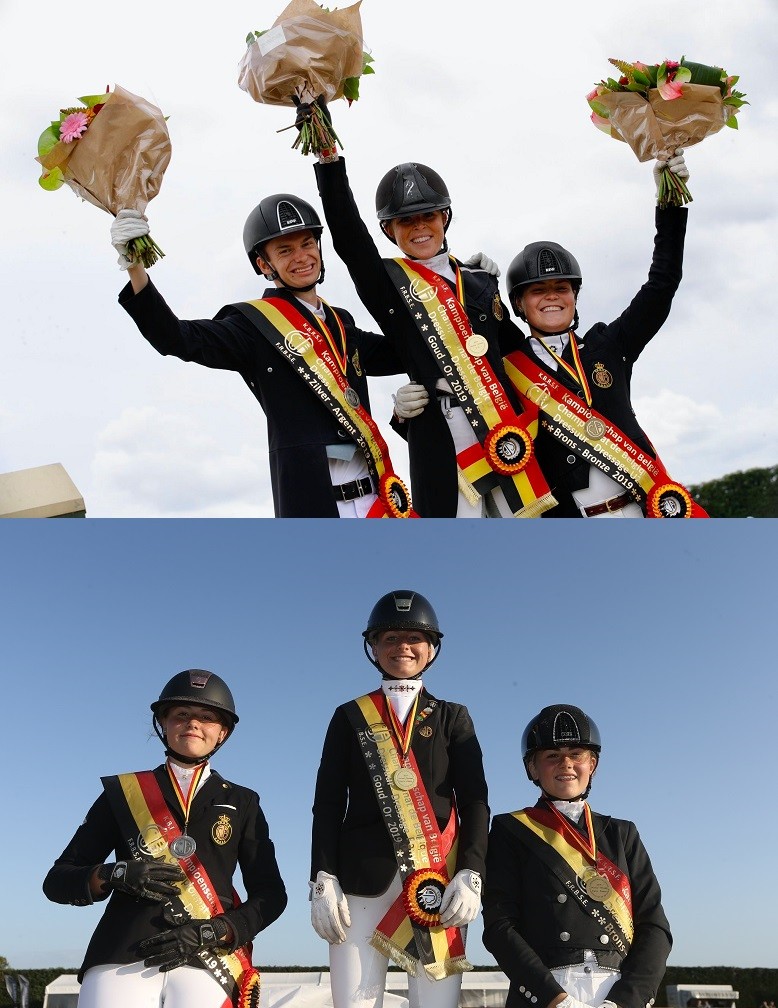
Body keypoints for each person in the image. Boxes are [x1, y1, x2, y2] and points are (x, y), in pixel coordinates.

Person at [304, 99, 556, 518]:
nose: (419, 227)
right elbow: (349, 238)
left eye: (428, 216)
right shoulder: (387, 283)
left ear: (445, 218)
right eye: (406, 222)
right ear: (389, 230)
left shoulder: (478, 280)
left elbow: (516, 353)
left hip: (505, 430)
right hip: (440, 434)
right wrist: (328, 155)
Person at [110, 195, 411, 517]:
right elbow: (176, 338)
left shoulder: (341, 323)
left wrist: (464, 287)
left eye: (307, 244)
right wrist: (135, 265)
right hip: (315, 503)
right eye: (285, 250)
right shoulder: (252, 325)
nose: (301, 257)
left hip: (378, 495)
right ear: (263, 264)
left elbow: (404, 353)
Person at [43, 668, 287, 1008]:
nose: (193, 724)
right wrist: (113, 874)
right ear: (164, 724)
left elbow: (271, 894)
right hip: (122, 952)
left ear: (222, 733)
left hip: (208, 955)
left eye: (207, 717)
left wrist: (221, 930)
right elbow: (56, 881)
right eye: (181, 715)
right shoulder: (123, 793)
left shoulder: (245, 802)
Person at [497, 151, 708, 517]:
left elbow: (662, 283)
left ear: (575, 297)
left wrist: (671, 203)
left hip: (640, 511)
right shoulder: (509, 367)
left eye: (561, 288)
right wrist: (474, 281)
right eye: (538, 290)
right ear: (519, 303)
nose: (551, 297)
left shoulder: (609, 346)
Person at [310, 589, 489, 1008]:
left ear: (431, 648)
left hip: (437, 881)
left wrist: (472, 870)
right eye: (389, 638)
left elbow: (476, 801)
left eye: (413, 638)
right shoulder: (349, 715)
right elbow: (328, 802)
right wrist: (322, 875)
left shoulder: (453, 717)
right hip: (360, 884)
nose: (402, 647)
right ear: (373, 646)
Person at [482, 704, 671, 1008]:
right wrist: (555, 1000)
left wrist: (625, 1001)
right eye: (552, 756)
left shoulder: (623, 834)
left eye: (576, 755)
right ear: (532, 768)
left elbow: (655, 926)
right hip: (547, 991)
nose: (566, 764)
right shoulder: (511, 830)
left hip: (618, 990)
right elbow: (500, 926)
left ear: (592, 764)